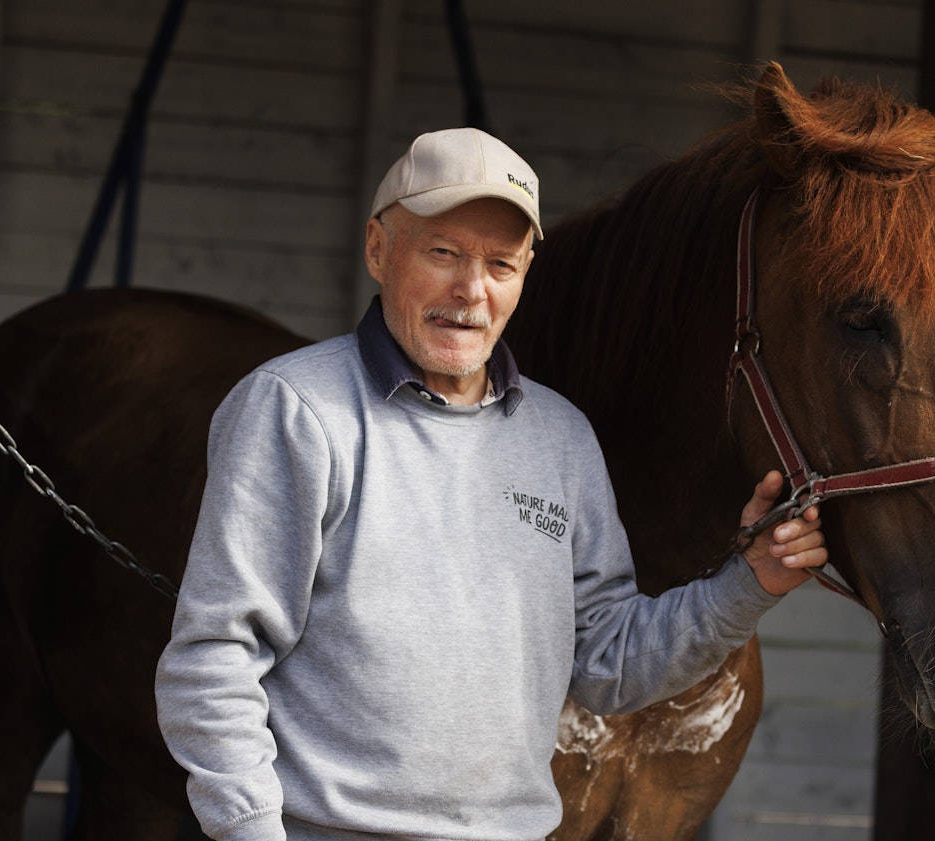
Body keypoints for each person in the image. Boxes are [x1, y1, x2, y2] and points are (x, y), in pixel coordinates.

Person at [155, 127, 827, 841]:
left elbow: (607, 662)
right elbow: (215, 659)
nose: (470, 290)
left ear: (525, 273)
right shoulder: (297, 410)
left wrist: (750, 582)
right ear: (378, 250)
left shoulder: (561, 438)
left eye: (500, 263)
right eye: (443, 252)